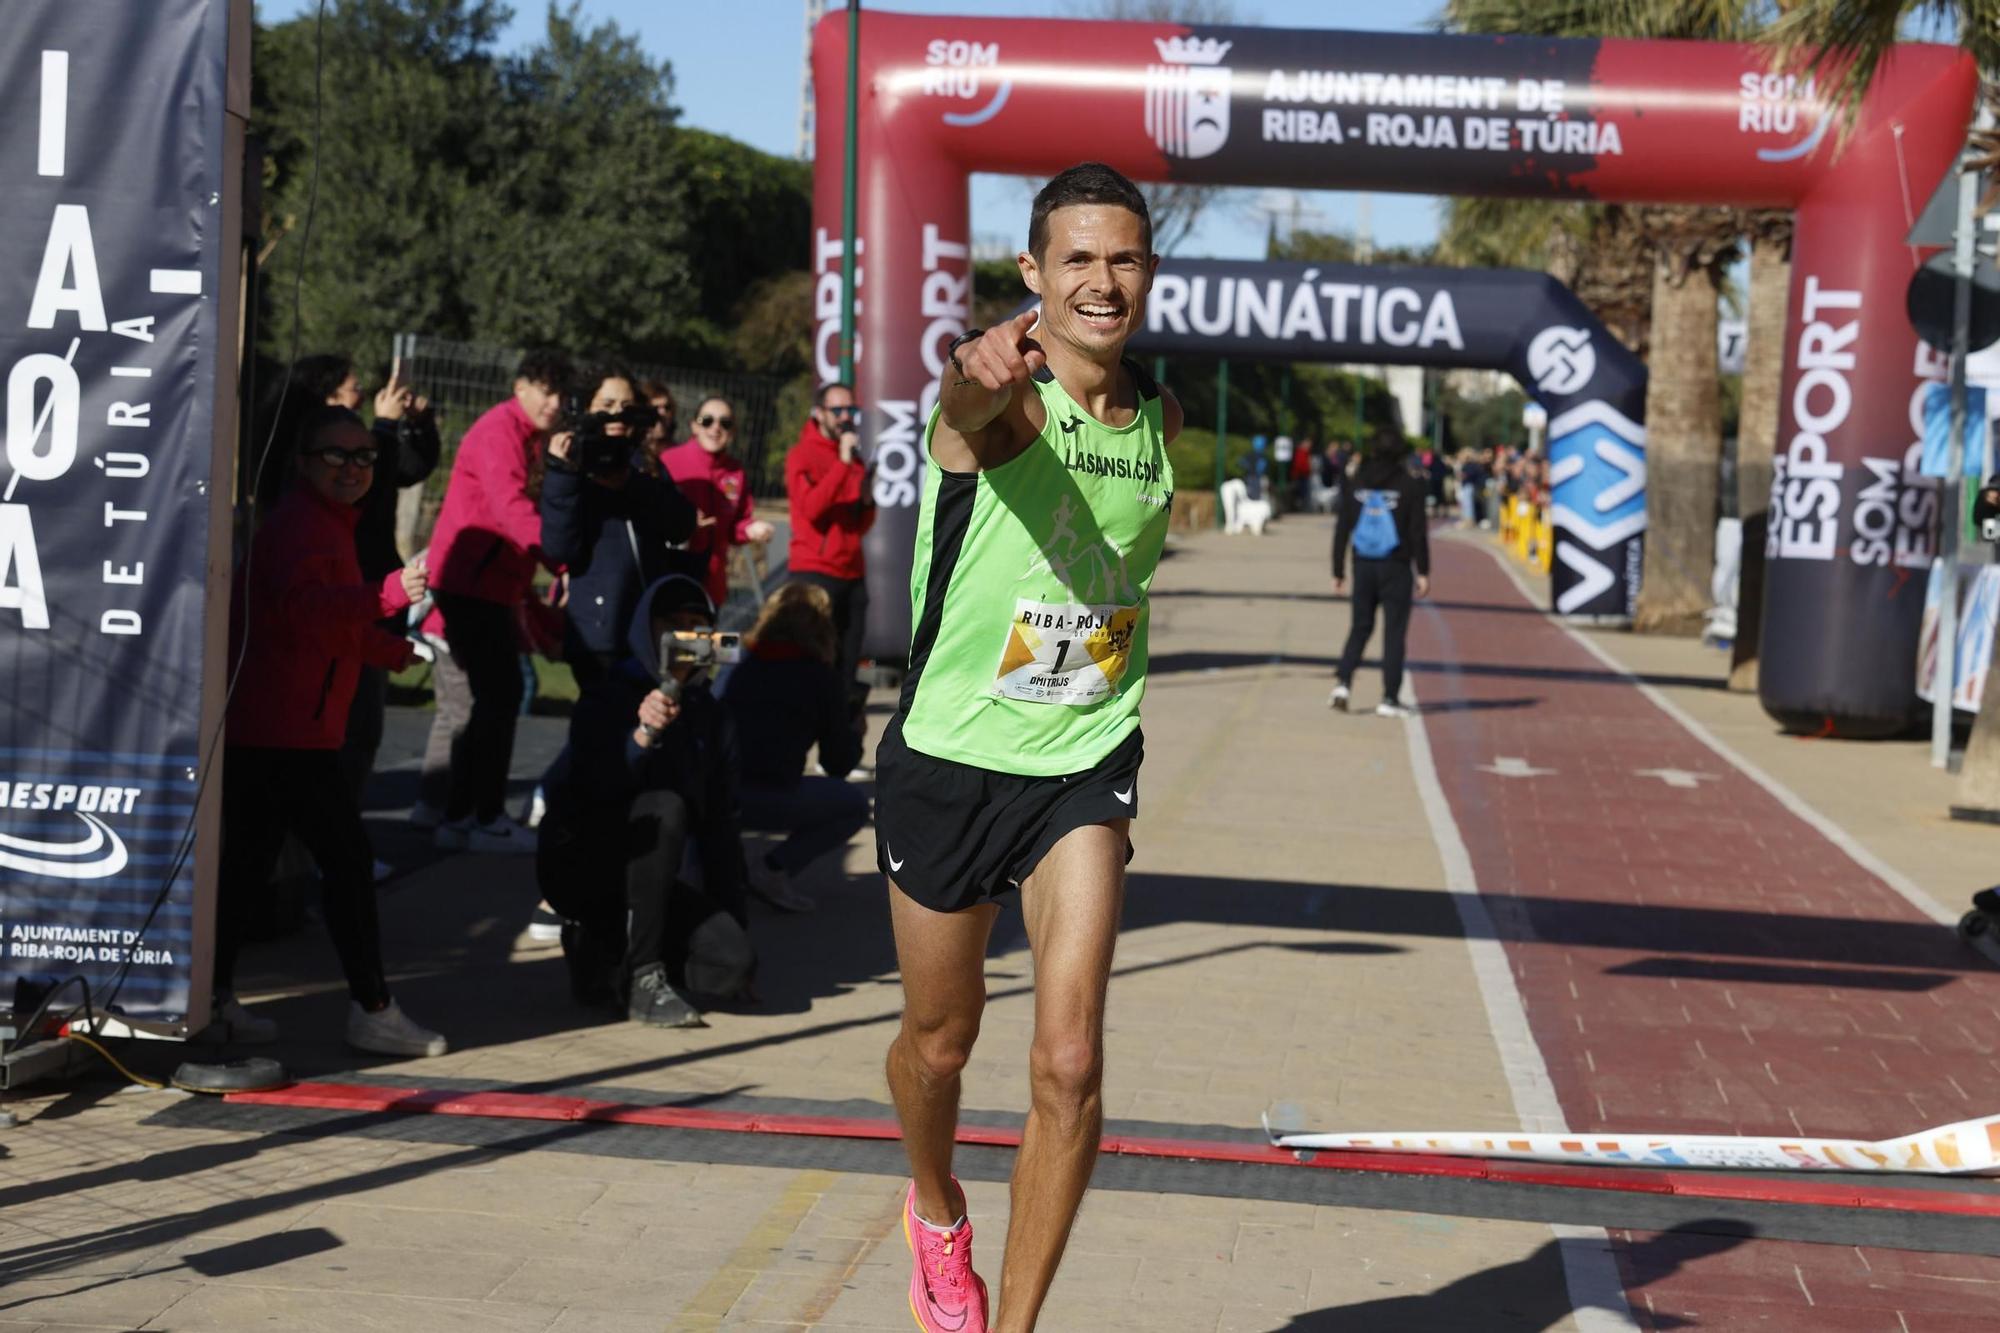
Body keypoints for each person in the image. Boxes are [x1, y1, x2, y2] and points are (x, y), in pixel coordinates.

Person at [874, 162, 1181, 1333]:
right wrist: (971, 373)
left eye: (1123, 258)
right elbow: (964, 410)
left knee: (1065, 1059)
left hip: (1082, 761)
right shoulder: (1002, 401)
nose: (1101, 281)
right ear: (1033, 275)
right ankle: (935, 1205)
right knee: (940, 1046)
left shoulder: (1157, 413)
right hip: (949, 758)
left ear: (1145, 271)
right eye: (1077, 260)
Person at [206, 404, 447, 1056]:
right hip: (285, 730)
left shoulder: (323, 524)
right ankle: (373, 1007)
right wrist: (395, 592)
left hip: (284, 727)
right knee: (344, 864)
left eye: (364, 456)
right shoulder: (300, 527)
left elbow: (321, 623)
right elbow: (307, 612)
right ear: (304, 462)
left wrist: (396, 652)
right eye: (336, 455)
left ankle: (215, 1000)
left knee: (248, 869)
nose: (352, 468)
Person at [535, 575, 756, 1029]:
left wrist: (732, 917)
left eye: (698, 626)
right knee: (665, 805)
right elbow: (594, 791)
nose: (686, 637)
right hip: (583, 860)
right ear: (646, 629)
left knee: (732, 963)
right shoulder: (607, 694)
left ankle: (602, 951)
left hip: (650, 882)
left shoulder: (713, 716)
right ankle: (641, 974)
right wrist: (641, 737)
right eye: (673, 624)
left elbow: (720, 826)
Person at [424, 348, 572, 854]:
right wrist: (560, 559)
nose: (553, 403)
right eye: (545, 391)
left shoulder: (530, 436)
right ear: (521, 387)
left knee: (488, 700)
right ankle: (478, 816)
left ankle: (460, 815)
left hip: (488, 583)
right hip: (471, 584)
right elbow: (510, 508)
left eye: (560, 395)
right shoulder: (499, 433)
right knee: (497, 696)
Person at [540, 366, 698, 687]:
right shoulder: (570, 464)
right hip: (599, 633)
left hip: (653, 626)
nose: (615, 416)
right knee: (603, 727)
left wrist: (632, 483)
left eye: (625, 407)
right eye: (606, 406)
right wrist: (564, 475)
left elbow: (681, 525)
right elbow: (560, 548)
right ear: (584, 408)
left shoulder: (646, 463)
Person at [720, 583, 870, 914]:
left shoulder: (738, 661)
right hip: (770, 793)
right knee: (852, 805)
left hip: (716, 792)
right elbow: (837, 764)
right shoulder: (818, 676)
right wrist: (854, 733)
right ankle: (773, 869)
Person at [784, 382, 876, 711]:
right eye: (837, 410)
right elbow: (811, 509)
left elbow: (860, 525)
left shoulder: (855, 457)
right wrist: (840, 463)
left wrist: (866, 502)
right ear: (820, 413)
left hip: (852, 572)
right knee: (812, 664)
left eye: (850, 410)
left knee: (847, 666)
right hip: (815, 572)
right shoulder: (802, 455)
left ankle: (838, 753)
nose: (845, 417)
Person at [1329, 432, 1431, 719]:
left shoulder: (1355, 482)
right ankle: (1389, 697)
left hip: (1362, 564)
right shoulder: (1410, 485)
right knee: (1394, 633)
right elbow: (1417, 532)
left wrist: (1338, 570)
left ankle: (1343, 684)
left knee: (1360, 626)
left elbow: (1342, 529)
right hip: (1396, 566)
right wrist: (1423, 570)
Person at [661, 395, 775, 612]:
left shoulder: (735, 471)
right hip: (672, 576)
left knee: (705, 644)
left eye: (725, 423)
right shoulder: (670, 461)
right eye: (707, 421)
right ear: (694, 426)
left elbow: (737, 524)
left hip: (712, 584)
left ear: (732, 432)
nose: (715, 428)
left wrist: (750, 529)